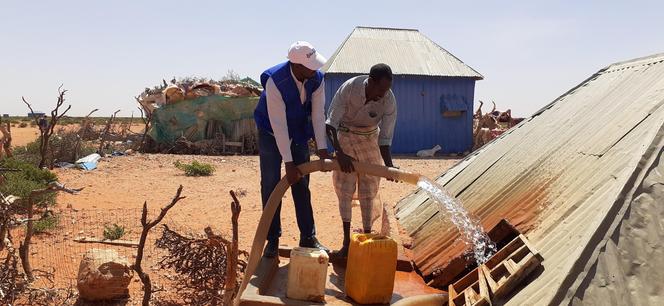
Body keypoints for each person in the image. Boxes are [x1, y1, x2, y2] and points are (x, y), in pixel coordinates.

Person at [253, 41, 331, 258]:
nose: (314, 69)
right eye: (310, 66)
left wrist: (322, 148)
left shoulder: (317, 79)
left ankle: (308, 237)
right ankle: (272, 241)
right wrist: (288, 162)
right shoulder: (275, 81)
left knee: (302, 184)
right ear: (296, 65)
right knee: (270, 185)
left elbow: (317, 114)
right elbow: (278, 124)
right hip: (270, 133)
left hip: (297, 132)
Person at [325, 63, 397, 260]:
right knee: (344, 189)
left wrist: (388, 166)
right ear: (370, 82)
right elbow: (330, 124)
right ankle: (347, 243)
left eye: (386, 90)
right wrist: (339, 153)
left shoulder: (388, 101)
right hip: (345, 137)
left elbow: (385, 139)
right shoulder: (349, 89)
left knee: (369, 189)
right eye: (380, 89)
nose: (382, 95)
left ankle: (366, 236)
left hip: (369, 139)